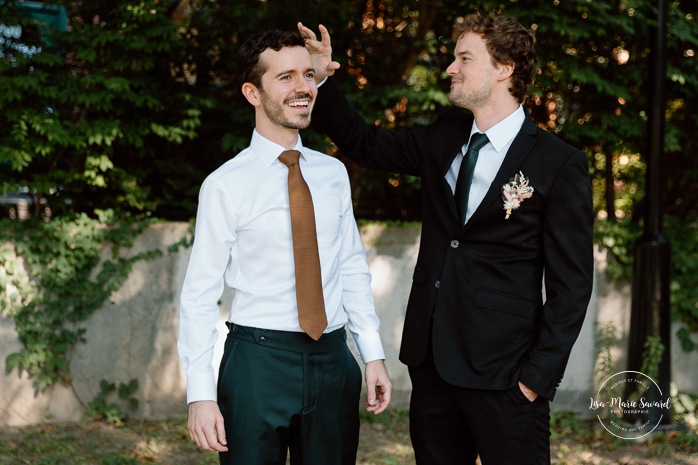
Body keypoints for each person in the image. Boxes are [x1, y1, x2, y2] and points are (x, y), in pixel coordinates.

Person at [299, 11, 593, 465]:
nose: (450, 68)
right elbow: (364, 143)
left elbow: (571, 285)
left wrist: (535, 380)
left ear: (504, 69)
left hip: (506, 376)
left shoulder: (558, 163)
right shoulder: (443, 135)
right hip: (432, 366)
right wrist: (321, 79)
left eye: (464, 58)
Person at [178, 29, 392, 465]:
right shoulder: (224, 185)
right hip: (257, 363)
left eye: (309, 76)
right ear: (252, 93)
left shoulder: (333, 174)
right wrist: (200, 393)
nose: (303, 87)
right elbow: (200, 294)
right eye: (286, 77)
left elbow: (351, 267)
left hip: (334, 361)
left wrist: (372, 354)